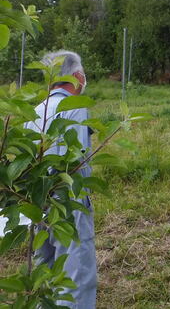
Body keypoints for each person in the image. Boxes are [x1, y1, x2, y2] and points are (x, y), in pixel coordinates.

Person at [25, 50, 97, 308]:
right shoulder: (75, 107)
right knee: (77, 271)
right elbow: (74, 160)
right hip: (68, 200)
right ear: (78, 76)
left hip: (37, 198)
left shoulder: (36, 111)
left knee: (45, 266)